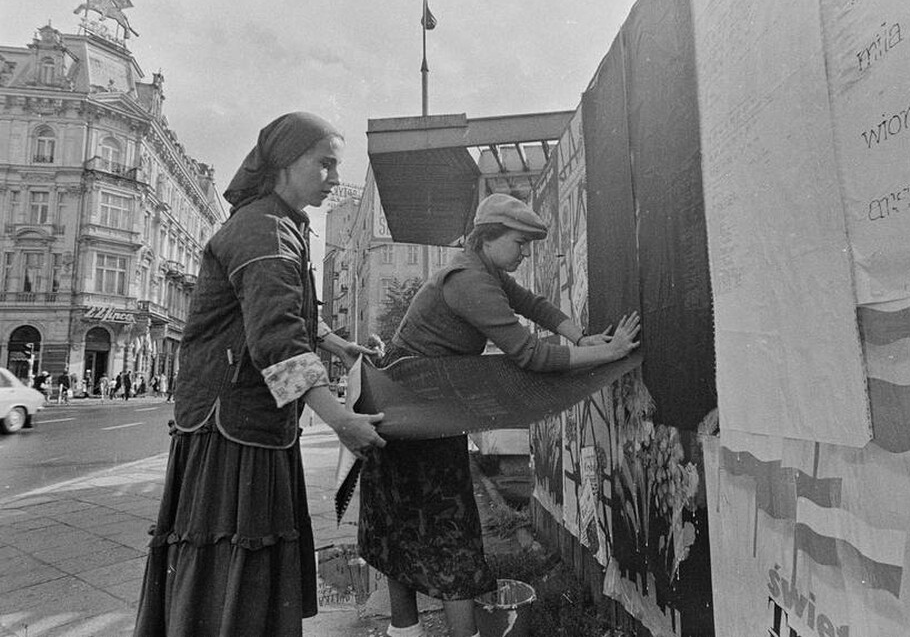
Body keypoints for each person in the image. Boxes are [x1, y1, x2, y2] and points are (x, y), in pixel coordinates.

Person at [134, 112, 386, 636]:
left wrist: (336, 342)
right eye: (325, 164)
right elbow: (275, 338)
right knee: (231, 564)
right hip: (232, 434)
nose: (335, 179)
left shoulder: (277, 223)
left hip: (241, 424)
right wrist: (341, 420)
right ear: (283, 163)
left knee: (231, 567)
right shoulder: (264, 228)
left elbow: (280, 314)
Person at [358, 192, 641, 637]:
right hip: (416, 413)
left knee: (402, 532)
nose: (525, 253)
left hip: (415, 411)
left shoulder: (481, 267)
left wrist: (579, 336)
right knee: (448, 537)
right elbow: (529, 355)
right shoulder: (470, 280)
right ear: (489, 237)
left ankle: (406, 630)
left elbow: (534, 305)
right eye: (519, 243)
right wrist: (609, 352)